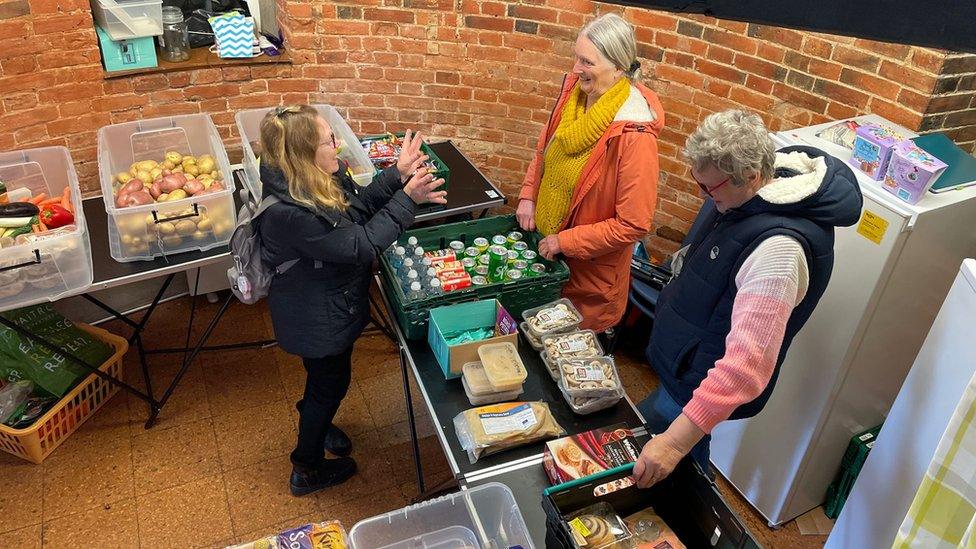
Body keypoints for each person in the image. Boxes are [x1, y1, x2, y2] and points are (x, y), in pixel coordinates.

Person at [632, 110, 863, 488]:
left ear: (753, 177)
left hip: (700, 382)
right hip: (686, 369)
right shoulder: (744, 200)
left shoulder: (779, 251)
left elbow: (746, 367)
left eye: (710, 188)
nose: (703, 195)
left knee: (677, 473)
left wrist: (673, 444)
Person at [256, 105, 446, 496]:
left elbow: (353, 214)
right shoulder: (292, 214)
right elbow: (359, 243)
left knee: (323, 378)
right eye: (330, 140)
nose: (338, 144)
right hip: (315, 317)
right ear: (305, 154)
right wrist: (408, 199)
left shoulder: (310, 181)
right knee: (331, 381)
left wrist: (395, 175)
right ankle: (305, 466)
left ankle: (317, 415)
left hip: (318, 303)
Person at [515, 13, 663, 335]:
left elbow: (633, 223)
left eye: (587, 62)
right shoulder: (574, 96)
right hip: (549, 254)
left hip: (587, 283)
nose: (576, 69)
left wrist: (565, 241)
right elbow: (544, 150)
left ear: (619, 68)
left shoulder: (635, 136)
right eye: (576, 58)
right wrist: (529, 194)